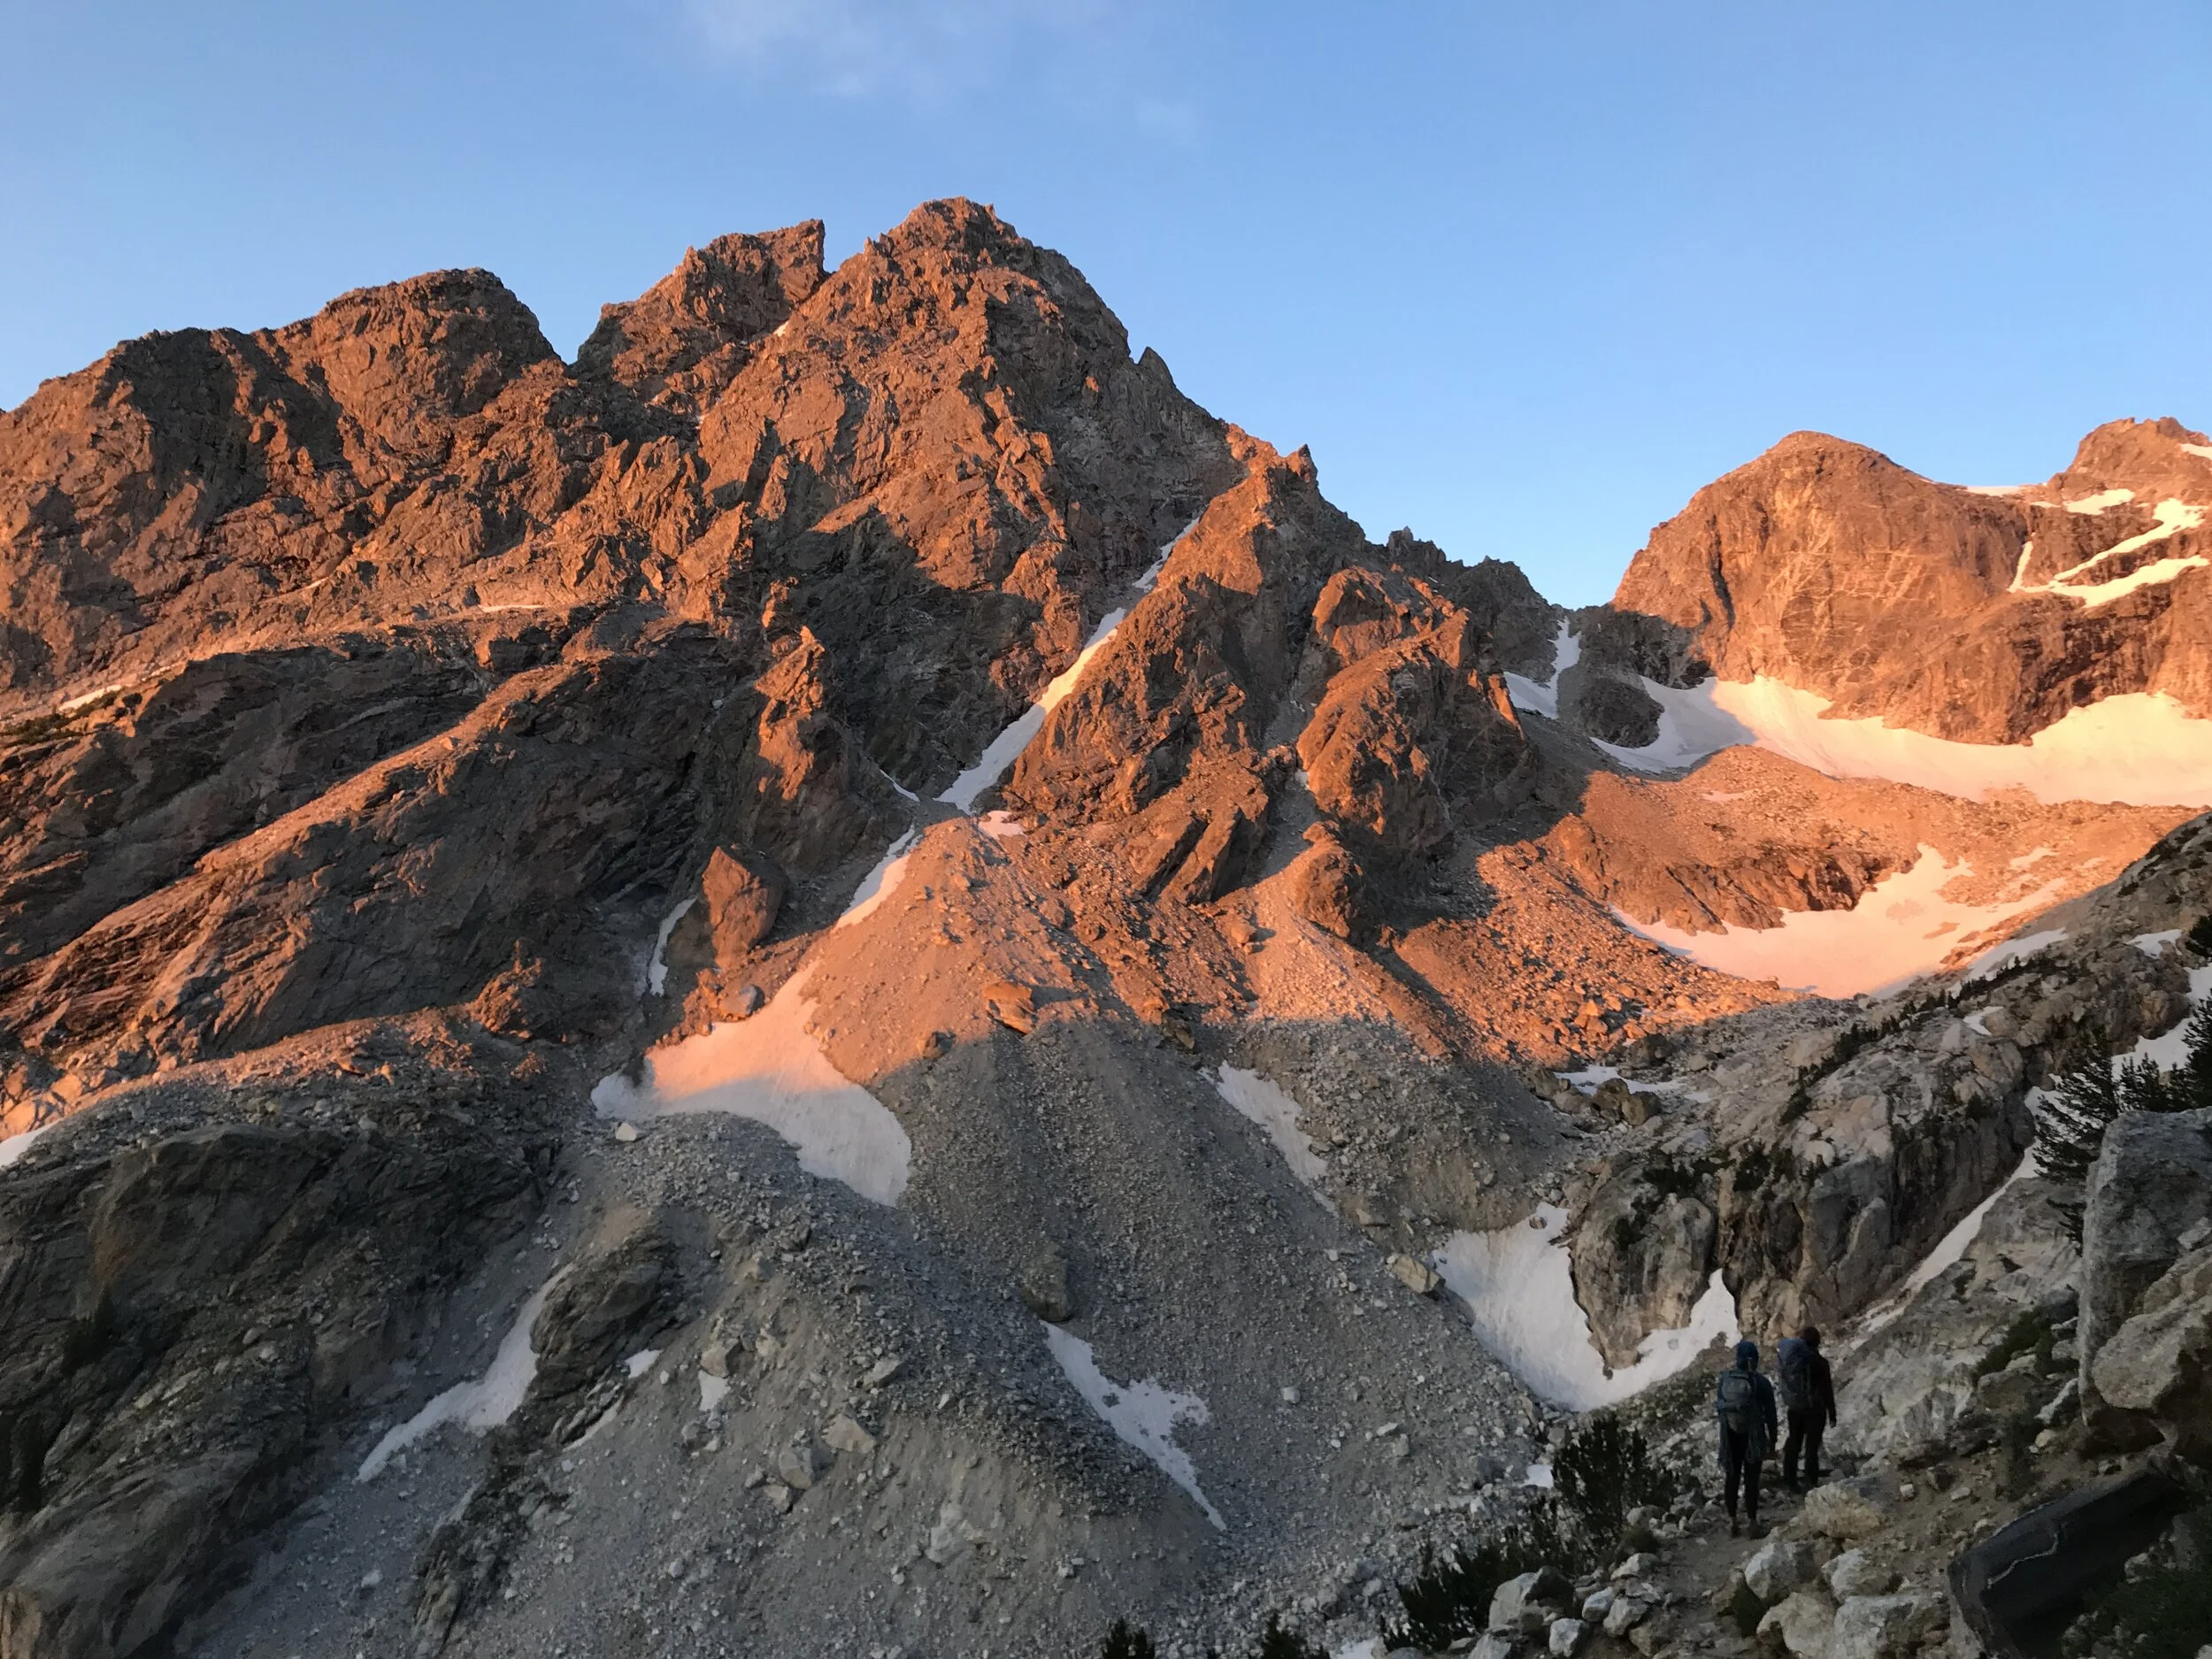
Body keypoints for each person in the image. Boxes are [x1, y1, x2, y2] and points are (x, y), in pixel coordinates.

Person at [1716, 1339, 1778, 1536]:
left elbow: (1720, 1408)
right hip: (1753, 1436)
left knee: (1732, 1476)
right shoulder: (1761, 1382)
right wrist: (1773, 1439)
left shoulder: (1725, 1378)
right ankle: (1752, 1522)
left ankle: (1732, 1522)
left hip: (1730, 1435)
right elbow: (1771, 1414)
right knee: (1751, 1479)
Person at [1777, 1325, 1838, 1490]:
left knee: (1794, 1442)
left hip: (1795, 1408)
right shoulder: (1821, 1363)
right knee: (1812, 1446)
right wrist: (1832, 1413)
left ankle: (1790, 1480)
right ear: (1818, 1342)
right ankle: (1811, 1481)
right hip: (1815, 1409)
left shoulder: (1790, 1361)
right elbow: (1826, 1389)